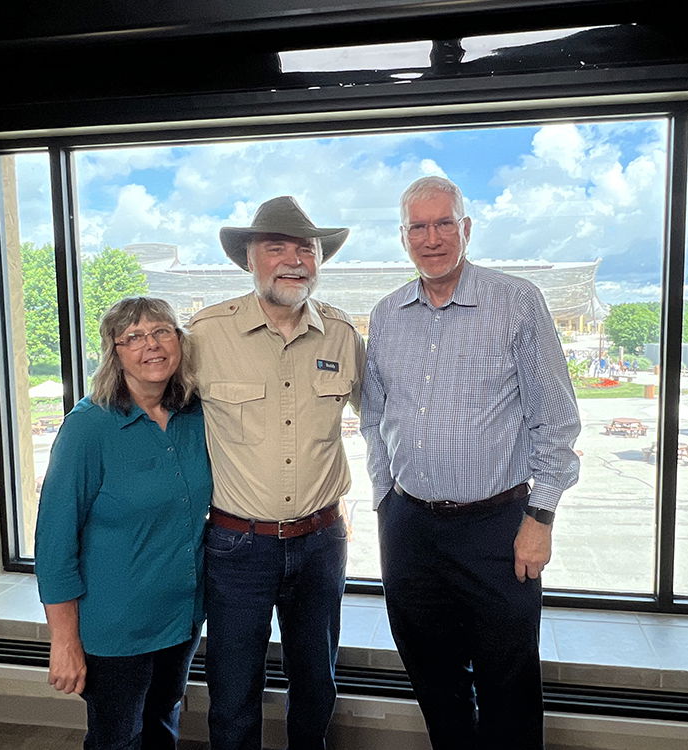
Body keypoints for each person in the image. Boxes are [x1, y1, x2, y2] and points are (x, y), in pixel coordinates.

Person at [361, 176, 581, 750]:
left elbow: (555, 418)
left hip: (498, 525)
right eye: (417, 226)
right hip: (409, 525)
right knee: (432, 675)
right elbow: (374, 416)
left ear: (466, 228)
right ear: (402, 235)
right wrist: (386, 502)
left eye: (443, 224)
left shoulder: (516, 301)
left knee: (508, 679)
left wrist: (541, 517)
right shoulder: (386, 315)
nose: (431, 238)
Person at [189, 196, 364, 750]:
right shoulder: (204, 336)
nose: (294, 260)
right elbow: (154, 416)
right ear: (248, 259)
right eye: (276, 247)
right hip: (237, 545)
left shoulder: (342, 336)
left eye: (305, 248)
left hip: (321, 544)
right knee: (234, 689)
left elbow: (388, 420)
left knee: (316, 684)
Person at [35, 296, 211, 750]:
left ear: (179, 341)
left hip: (181, 618)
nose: (150, 345)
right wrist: (64, 641)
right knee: (118, 739)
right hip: (116, 628)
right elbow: (55, 544)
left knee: (162, 727)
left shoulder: (194, 415)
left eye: (161, 332)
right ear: (114, 352)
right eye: (133, 337)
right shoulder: (88, 428)